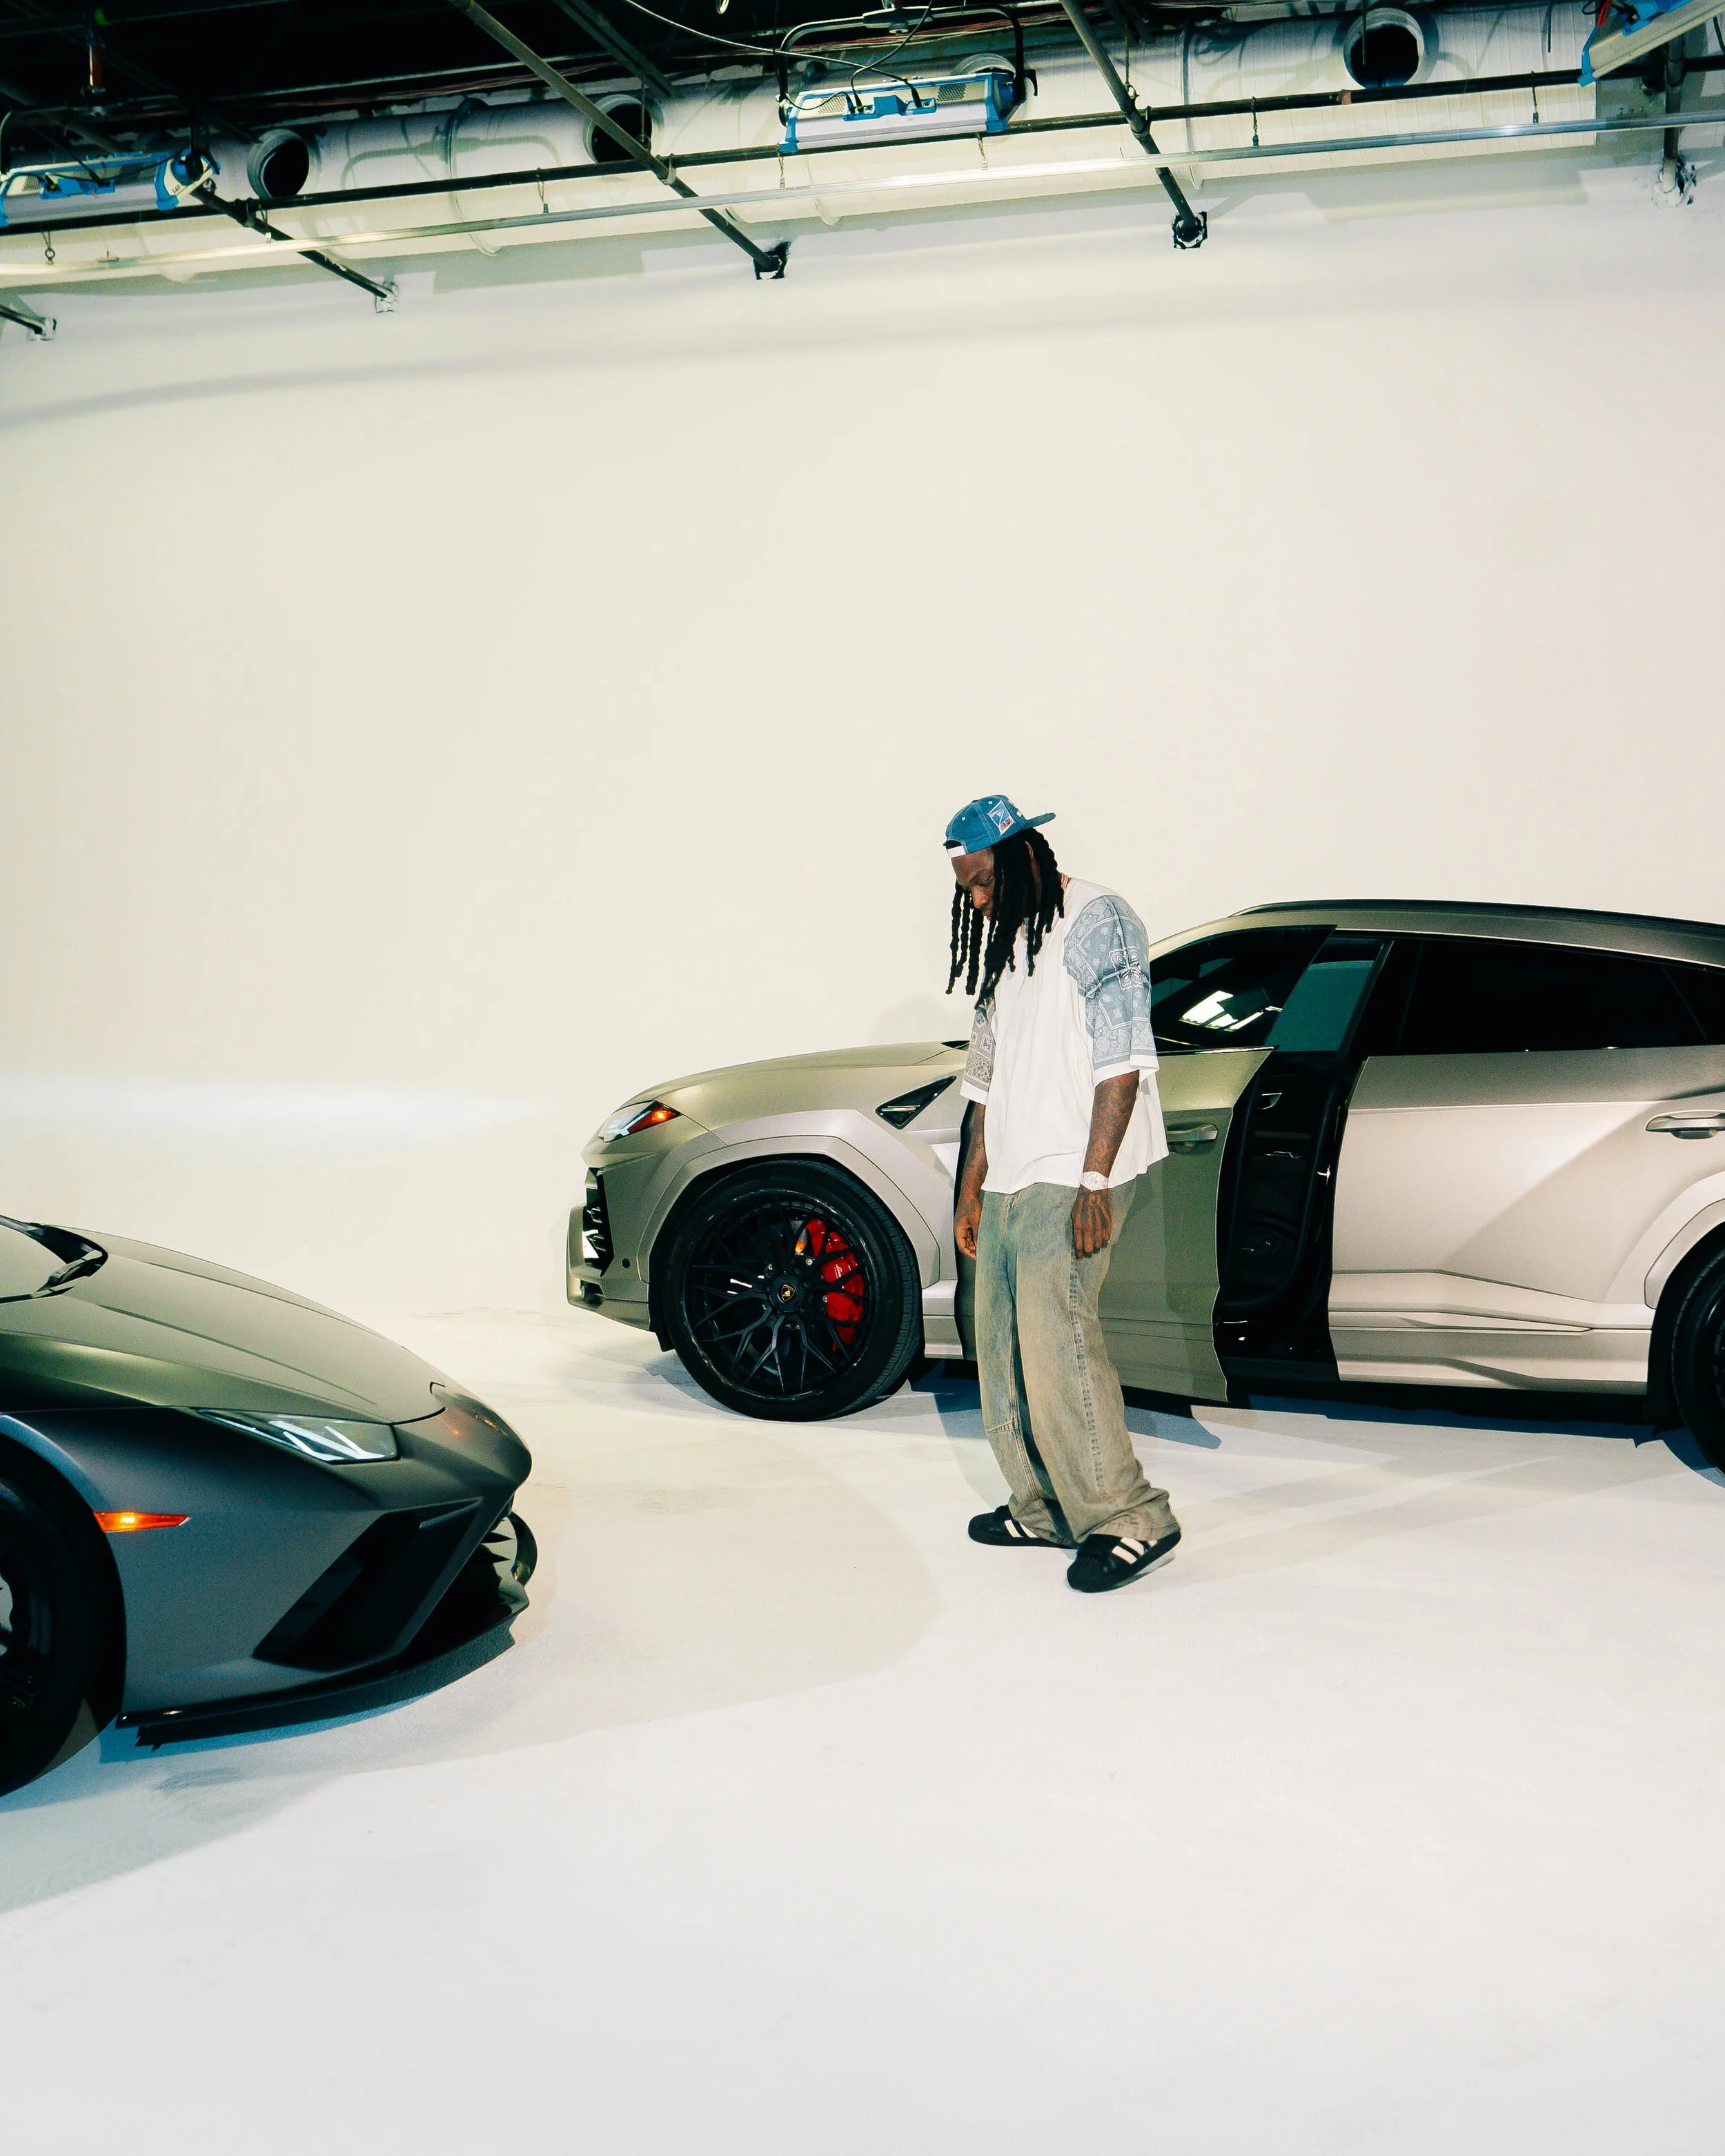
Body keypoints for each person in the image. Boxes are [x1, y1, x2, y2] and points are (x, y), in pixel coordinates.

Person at [945, 794, 1181, 1594]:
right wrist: (971, 1186)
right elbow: (984, 1076)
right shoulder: (1004, 944)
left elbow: (1123, 1057)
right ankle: (1044, 1504)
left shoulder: (1097, 917)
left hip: (1074, 1165)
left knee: (1058, 1341)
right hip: (1012, 1169)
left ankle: (1130, 1516)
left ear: (1020, 857)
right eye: (966, 890)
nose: (977, 900)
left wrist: (1093, 1179)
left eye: (983, 881)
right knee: (1001, 1347)